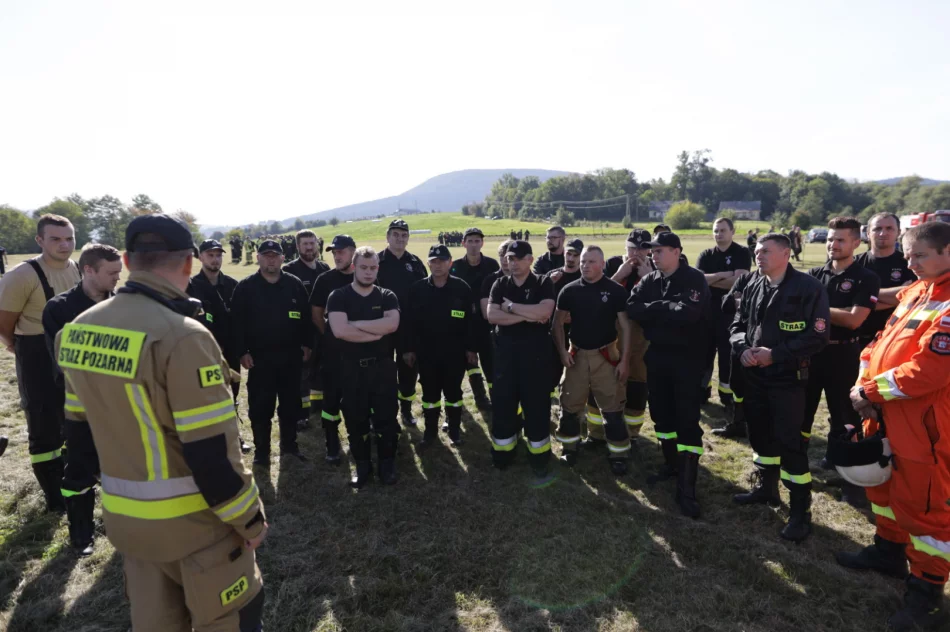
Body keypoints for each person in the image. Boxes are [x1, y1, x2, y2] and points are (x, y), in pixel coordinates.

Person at [54, 214, 267, 631]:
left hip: (129, 528)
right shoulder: (183, 336)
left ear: (129, 261)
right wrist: (251, 520)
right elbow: (210, 454)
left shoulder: (76, 331)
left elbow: (78, 436)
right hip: (199, 532)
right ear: (189, 262)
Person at [835, 222, 950, 631]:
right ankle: (888, 550)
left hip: (926, 426)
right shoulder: (917, 292)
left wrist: (871, 392)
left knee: (925, 509)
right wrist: (864, 383)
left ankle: (928, 595)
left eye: (919, 255)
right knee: (883, 490)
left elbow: (930, 370)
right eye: (908, 255)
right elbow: (879, 341)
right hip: (885, 413)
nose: (910, 263)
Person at [729, 233, 829, 542]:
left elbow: (818, 336)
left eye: (766, 252)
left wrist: (776, 355)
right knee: (759, 434)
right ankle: (766, 489)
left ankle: (801, 512)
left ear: (786, 253)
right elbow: (737, 324)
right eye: (757, 251)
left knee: (790, 443)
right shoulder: (752, 284)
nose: (758, 256)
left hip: (787, 378)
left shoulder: (809, 288)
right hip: (755, 377)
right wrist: (742, 348)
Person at [42, 243, 121, 556]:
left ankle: (122, 529)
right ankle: (81, 534)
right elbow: (66, 361)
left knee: (122, 471)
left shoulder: (122, 305)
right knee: (79, 470)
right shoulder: (59, 309)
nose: (118, 278)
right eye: (111, 272)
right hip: (80, 410)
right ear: (89, 270)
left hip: (121, 407)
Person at [0, 214, 80, 513]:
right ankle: (54, 496)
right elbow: (4, 321)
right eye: (56, 239)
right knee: (44, 424)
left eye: (69, 238)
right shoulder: (23, 275)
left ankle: (74, 480)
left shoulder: (76, 268)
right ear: (40, 240)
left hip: (70, 352)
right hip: (35, 352)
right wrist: (15, 345)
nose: (64, 244)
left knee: (71, 419)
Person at [626, 232, 709, 517]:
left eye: (659, 251)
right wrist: (664, 306)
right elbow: (632, 308)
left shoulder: (693, 278)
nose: (654, 256)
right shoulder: (650, 281)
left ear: (676, 251)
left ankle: (687, 487)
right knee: (661, 417)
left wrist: (654, 310)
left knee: (687, 420)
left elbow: (689, 314)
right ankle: (671, 465)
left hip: (686, 359)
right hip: (658, 355)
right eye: (652, 251)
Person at [803, 217, 879, 487]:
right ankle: (797, 466)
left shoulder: (866, 278)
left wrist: (816, 311)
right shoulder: (812, 275)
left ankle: (847, 478)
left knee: (845, 417)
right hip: (811, 353)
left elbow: (855, 320)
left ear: (856, 243)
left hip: (844, 355)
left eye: (840, 240)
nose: (832, 245)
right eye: (829, 239)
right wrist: (837, 313)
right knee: (802, 411)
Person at [231, 239, 312, 465]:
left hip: (291, 359)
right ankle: (262, 452)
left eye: (275, 255)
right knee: (260, 408)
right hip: (260, 361)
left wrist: (307, 344)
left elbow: (306, 319)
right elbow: (236, 324)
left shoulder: (295, 285)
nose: (271, 259)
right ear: (258, 258)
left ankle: (289, 446)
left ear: (282, 258)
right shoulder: (246, 288)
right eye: (266, 255)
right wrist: (241, 352)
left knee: (290, 405)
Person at [553, 245, 632, 475]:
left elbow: (626, 328)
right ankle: (569, 447)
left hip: (606, 356)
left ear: (603, 264)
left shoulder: (616, 291)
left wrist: (625, 361)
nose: (585, 265)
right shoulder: (568, 290)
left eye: (591, 262)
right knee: (569, 403)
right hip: (576, 356)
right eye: (583, 261)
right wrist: (562, 352)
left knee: (612, 406)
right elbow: (556, 324)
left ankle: (618, 454)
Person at [327, 246, 401, 487]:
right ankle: (362, 465)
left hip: (383, 368)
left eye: (372, 268)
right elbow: (340, 331)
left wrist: (356, 325)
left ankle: (387, 465)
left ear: (377, 268)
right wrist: (374, 330)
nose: (368, 272)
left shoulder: (387, 295)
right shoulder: (338, 296)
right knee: (355, 419)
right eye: (363, 267)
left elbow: (392, 325)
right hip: (351, 369)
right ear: (354, 268)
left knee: (387, 418)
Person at [487, 240, 556, 482]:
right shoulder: (500, 283)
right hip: (506, 356)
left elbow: (545, 312)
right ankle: (503, 455)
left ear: (530, 259)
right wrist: (527, 314)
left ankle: (539, 458)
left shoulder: (542, 282)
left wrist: (512, 308)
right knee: (504, 403)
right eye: (509, 258)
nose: (512, 262)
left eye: (517, 258)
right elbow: (492, 316)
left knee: (536, 406)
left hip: (535, 357)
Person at [404, 245, 477, 447]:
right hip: (426, 353)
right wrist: (409, 349)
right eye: (433, 261)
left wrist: (471, 349)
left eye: (442, 261)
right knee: (429, 395)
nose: (437, 265)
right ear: (428, 263)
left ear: (450, 263)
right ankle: (430, 432)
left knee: (454, 393)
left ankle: (454, 430)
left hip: (454, 353)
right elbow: (408, 322)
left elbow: (471, 321)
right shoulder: (417, 289)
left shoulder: (462, 288)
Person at [186, 239, 251, 455]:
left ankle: (234, 436)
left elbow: (241, 321)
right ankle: (210, 440)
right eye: (210, 255)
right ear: (200, 257)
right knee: (206, 398)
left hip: (230, 353)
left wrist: (243, 350)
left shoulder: (233, 285)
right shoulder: (190, 287)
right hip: (203, 354)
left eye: (218, 255)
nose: (215, 259)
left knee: (230, 396)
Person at [696, 217, 752, 428]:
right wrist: (724, 275)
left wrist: (715, 279)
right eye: (715, 230)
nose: (718, 234)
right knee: (704, 353)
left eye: (722, 230)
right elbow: (699, 279)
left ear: (732, 231)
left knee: (727, 356)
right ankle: (702, 392)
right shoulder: (706, 255)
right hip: (706, 311)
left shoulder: (741, 253)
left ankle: (726, 396)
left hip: (730, 313)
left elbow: (740, 280)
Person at [602, 229, 654, 447]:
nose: (637, 253)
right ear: (625, 247)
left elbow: (661, 303)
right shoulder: (614, 263)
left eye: (642, 248)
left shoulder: (656, 266)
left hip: (642, 334)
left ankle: (633, 432)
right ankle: (602, 429)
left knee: (637, 382)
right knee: (608, 379)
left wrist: (648, 278)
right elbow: (597, 295)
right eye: (632, 248)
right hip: (613, 332)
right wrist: (619, 275)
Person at [375, 219, 427, 427]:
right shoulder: (376, 261)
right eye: (395, 234)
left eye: (404, 235)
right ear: (387, 237)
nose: (400, 238)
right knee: (383, 373)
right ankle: (384, 413)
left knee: (408, 371)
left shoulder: (415, 263)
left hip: (409, 328)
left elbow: (425, 292)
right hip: (382, 327)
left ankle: (406, 410)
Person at [310, 235, 357, 464]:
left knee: (357, 398)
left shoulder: (364, 277)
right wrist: (330, 334)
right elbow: (316, 313)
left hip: (359, 352)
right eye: (334, 252)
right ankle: (331, 442)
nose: (336, 256)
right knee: (331, 400)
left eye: (341, 251)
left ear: (353, 253)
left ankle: (358, 438)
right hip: (332, 352)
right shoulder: (325, 280)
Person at [282, 230, 330, 430]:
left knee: (320, 371)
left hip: (322, 329)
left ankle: (317, 407)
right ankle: (301, 414)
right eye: (305, 244)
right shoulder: (289, 270)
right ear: (298, 247)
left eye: (312, 243)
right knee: (302, 374)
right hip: (301, 333)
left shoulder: (324, 268)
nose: (309, 247)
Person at [450, 227, 500, 410]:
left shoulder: (492, 265)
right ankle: (480, 396)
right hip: (464, 323)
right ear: (463, 243)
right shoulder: (455, 266)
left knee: (491, 362)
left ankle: (497, 396)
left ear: (482, 243)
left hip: (488, 322)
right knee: (470, 362)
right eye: (469, 241)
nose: (473, 245)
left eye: (477, 241)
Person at [855, 213, 917, 348]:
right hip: (857, 338)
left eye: (889, 228)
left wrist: (864, 297)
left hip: (895, 338)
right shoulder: (854, 264)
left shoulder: (910, 264)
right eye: (877, 229)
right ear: (867, 232)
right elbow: (847, 300)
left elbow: (914, 298)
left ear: (899, 232)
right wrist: (900, 296)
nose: (883, 233)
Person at [545, 238, 584, 405]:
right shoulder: (553, 276)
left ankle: (570, 407)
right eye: (569, 253)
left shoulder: (585, 277)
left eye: (576, 255)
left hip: (577, 334)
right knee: (549, 373)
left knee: (575, 374)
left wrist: (576, 315)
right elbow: (539, 303)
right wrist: (548, 283)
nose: (571, 258)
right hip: (553, 333)